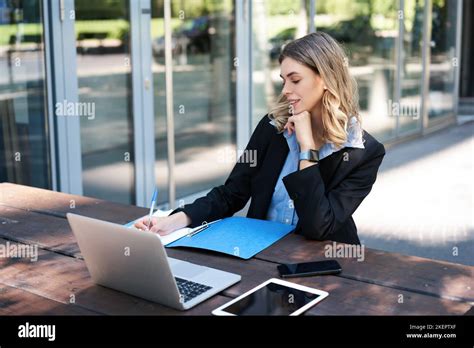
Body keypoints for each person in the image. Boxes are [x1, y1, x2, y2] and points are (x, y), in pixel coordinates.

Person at [135, 31, 385, 245]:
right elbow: (232, 193)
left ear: (326, 79)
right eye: (283, 80)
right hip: (261, 252)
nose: (286, 91)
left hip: (326, 265)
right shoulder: (272, 128)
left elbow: (318, 227)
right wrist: (176, 220)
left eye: (295, 80)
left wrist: (307, 148)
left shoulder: (362, 152)